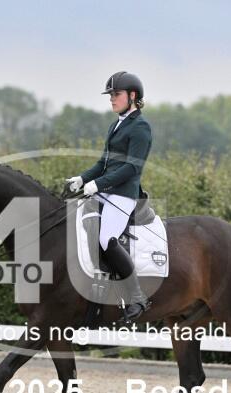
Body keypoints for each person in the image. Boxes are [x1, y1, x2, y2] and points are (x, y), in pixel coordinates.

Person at [67, 71, 152, 322]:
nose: (112, 99)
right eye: (111, 95)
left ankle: (137, 297)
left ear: (132, 96)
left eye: (116, 94)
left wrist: (98, 184)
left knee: (106, 238)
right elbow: (102, 164)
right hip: (106, 191)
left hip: (123, 195)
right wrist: (82, 179)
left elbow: (132, 168)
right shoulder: (116, 125)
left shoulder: (141, 127)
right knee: (76, 222)